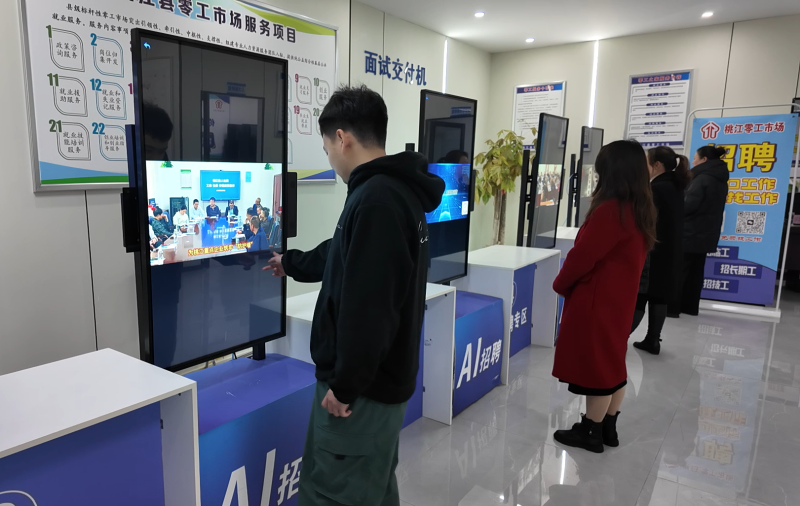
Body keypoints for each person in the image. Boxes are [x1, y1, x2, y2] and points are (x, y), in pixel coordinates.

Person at [263, 85, 444, 505]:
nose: (330, 156)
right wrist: (291, 263)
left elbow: (371, 311)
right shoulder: (391, 191)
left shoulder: (378, 200)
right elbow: (344, 252)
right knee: (373, 490)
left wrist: (345, 387)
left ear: (342, 138)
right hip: (378, 384)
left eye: (327, 147)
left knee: (332, 493)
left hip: (362, 394)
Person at [551, 140, 656, 454]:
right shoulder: (640, 207)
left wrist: (560, 284)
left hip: (597, 301)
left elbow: (582, 257)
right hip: (619, 301)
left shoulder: (611, 210)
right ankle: (608, 425)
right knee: (612, 362)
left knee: (597, 368)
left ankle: (590, 432)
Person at [631, 147, 691, 354]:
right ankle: (653, 340)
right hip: (670, 251)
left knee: (640, 296)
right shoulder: (676, 185)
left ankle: (619, 339)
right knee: (659, 296)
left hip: (653, 251)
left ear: (656, 165)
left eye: (647, 162)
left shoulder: (656, 188)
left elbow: (645, 221)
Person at [680, 145, 730, 315]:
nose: (693, 162)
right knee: (696, 272)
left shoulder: (702, 178)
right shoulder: (720, 179)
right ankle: (690, 308)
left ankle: (674, 308)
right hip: (706, 233)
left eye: (695, 158)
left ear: (704, 160)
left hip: (690, 232)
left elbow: (689, 205)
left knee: (681, 271)